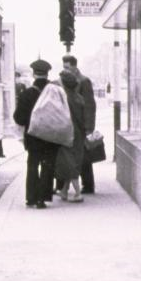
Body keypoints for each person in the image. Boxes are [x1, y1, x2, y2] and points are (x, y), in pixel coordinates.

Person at [13, 59, 58, 209]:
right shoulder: (55, 92)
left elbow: (18, 118)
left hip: (32, 137)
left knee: (32, 164)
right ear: (47, 74)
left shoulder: (26, 94)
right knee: (47, 165)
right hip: (50, 136)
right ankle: (42, 199)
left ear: (34, 74)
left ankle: (31, 197)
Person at [62, 54, 96, 194]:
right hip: (70, 125)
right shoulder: (67, 80)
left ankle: (88, 185)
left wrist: (89, 127)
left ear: (75, 66)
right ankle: (66, 187)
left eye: (67, 67)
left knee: (84, 157)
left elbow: (89, 105)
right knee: (73, 156)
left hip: (80, 126)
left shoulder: (84, 81)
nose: (65, 70)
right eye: (64, 67)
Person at [55, 69, 86, 203]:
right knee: (72, 160)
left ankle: (77, 193)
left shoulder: (63, 98)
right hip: (78, 133)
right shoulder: (79, 98)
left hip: (67, 133)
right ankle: (64, 191)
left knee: (69, 162)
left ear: (65, 84)